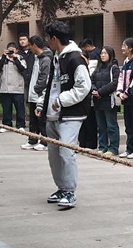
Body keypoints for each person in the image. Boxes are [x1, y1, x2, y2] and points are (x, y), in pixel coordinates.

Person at [36, 21, 92, 210]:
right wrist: (42, 104)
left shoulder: (75, 59)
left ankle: (69, 191)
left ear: (54, 38)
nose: (47, 41)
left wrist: (62, 100)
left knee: (66, 152)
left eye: (48, 38)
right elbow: (52, 85)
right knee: (54, 155)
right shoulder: (56, 58)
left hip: (71, 115)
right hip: (53, 115)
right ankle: (61, 188)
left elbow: (84, 87)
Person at [22, 36, 51, 151]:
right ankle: (32, 140)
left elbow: (44, 77)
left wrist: (37, 88)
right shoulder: (36, 57)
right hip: (33, 94)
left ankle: (45, 142)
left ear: (34, 45)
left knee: (41, 119)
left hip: (40, 94)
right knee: (33, 120)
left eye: (30, 45)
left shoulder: (46, 59)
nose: (29, 48)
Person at [91, 45, 120, 156]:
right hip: (98, 101)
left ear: (110, 55)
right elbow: (91, 80)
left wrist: (100, 92)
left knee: (111, 125)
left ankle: (113, 148)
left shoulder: (114, 68)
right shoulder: (97, 68)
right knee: (101, 126)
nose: (102, 55)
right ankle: (102, 146)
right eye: (101, 53)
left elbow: (114, 83)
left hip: (109, 100)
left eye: (105, 53)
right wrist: (94, 90)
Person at [116, 37, 133, 159]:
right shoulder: (126, 62)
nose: (122, 48)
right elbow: (121, 78)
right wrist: (119, 92)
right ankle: (129, 148)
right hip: (125, 98)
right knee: (128, 125)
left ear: (130, 48)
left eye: (124, 46)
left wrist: (126, 93)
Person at [0, 42, 27, 133]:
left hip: (17, 88)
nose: (11, 52)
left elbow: (22, 68)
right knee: (6, 109)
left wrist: (15, 58)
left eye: (13, 50)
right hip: (5, 88)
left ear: (16, 50)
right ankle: (6, 125)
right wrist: (4, 56)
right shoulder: (3, 58)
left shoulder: (20, 58)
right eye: (9, 50)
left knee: (20, 108)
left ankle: (21, 125)